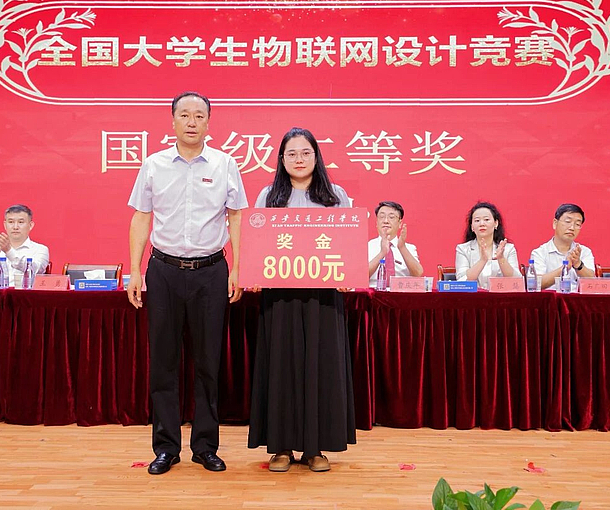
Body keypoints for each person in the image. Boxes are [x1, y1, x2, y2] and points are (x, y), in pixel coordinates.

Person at [127, 91, 247, 475]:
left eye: (199, 115)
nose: (192, 121)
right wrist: (135, 270)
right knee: (163, 362)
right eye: (184, 115)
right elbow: (141, 217)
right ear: (173, 121)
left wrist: (238, 267)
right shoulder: (154, 164)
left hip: (211, 272)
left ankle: (205, 446)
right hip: (163, 270)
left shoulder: (225, 164)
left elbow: (236, 217)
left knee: (208, 362)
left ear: (209, 123)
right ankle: (166, 447)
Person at [248, 127, 356, 473]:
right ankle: (280, 447)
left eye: (305, 153)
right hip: (280, 297)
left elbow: (347, 245)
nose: (299, 159)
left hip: (323, 297)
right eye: (291, 153)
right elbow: (257, 244)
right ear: (281, 159)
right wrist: (253, 273)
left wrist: (348, 274)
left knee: (321, 368)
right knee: (281, 367)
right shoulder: (269, 196)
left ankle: (315, 448)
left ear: (316, 156)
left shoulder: (335, 195)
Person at [0, 204, 49, 282]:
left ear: (30, 225)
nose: (15, 227)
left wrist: (9, 251)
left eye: (20, 222)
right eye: (11, 222)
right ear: (5, 225)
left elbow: (36, 270)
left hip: (25, 290)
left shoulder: (40, 249)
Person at [455, 201, 520, 289]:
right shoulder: (463, 249)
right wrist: (482, 260)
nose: (482, 224)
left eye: (486, 219)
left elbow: (517, 281)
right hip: (472, 296)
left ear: (496, 223)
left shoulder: (508, 249)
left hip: (501, 296)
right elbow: (461, 281)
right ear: (472, 227)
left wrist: (501, 259)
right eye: (477, 220)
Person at [530, 203, 595, 290]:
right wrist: (564, 268)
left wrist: (578, 264)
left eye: (577, 224)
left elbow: (592, 282)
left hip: (577, 298)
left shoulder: (584, 252)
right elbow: (536, 284)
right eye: (568, 222)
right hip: (551, 298)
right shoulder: (540, 253)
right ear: (555, 223)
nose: (572, 228)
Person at [367, 201, 423, 287]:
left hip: (401, 293)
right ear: (376, 222)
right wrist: (382, 253)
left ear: (400, 223)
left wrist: (402, 248)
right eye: (382, 217)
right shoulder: (366, 247)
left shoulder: (408, 248)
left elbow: (418, 274)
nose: (386, 221)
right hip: (373, 292)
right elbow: (360, 276)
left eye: (391, 217)